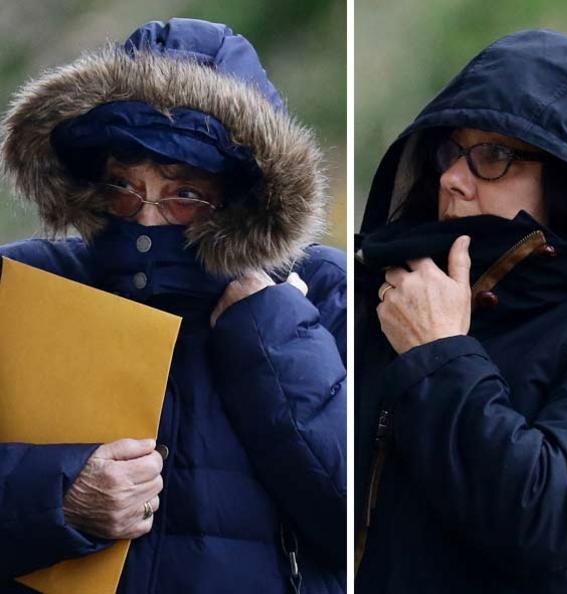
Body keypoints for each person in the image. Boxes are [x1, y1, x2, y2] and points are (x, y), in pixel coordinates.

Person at [0, 18, 346, 593]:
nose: (145, 218)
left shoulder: (322, 290)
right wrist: (56, 496)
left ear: (244, 196)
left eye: (184, 193)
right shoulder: (25, 282)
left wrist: (268, 329)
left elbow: (357, 520)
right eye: (122, 186)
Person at [354, 29, 567, 593]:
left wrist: (437, 355)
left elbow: (548, 515)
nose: (450, 177)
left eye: (492, 156)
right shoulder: (390, 292)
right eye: (451, 150)